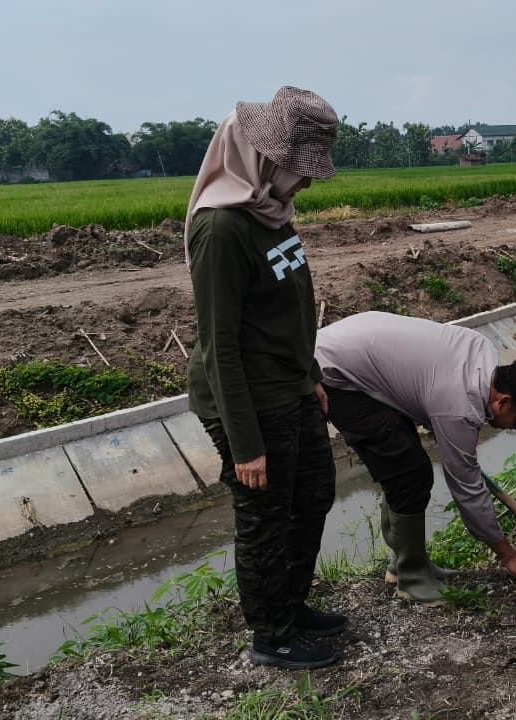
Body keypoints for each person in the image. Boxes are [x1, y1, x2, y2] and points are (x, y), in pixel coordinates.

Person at [185, 86, 343, 670]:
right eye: (298, 171)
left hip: (292, 385)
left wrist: (313, 374)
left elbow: (294, 307)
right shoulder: (223, 230)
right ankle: (270, 634)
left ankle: (292, 604)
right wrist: (246, 444)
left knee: (315, 494)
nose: (304, 183)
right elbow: (219, 344)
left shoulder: (271, 213)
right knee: (265, 517)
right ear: (263, 157)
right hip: (249, 398)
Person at [315, 311, 516, 604]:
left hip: (361, 348)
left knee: (405, 465)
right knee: (408, 474)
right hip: (335, 373)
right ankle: (412, 577)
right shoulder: (459, 403)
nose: (515, 428)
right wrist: (509, 555)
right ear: (503, 401)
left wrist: (461, 443)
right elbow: (466, 489)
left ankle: (405, 563)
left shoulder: (482, 352)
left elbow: (431, 392)